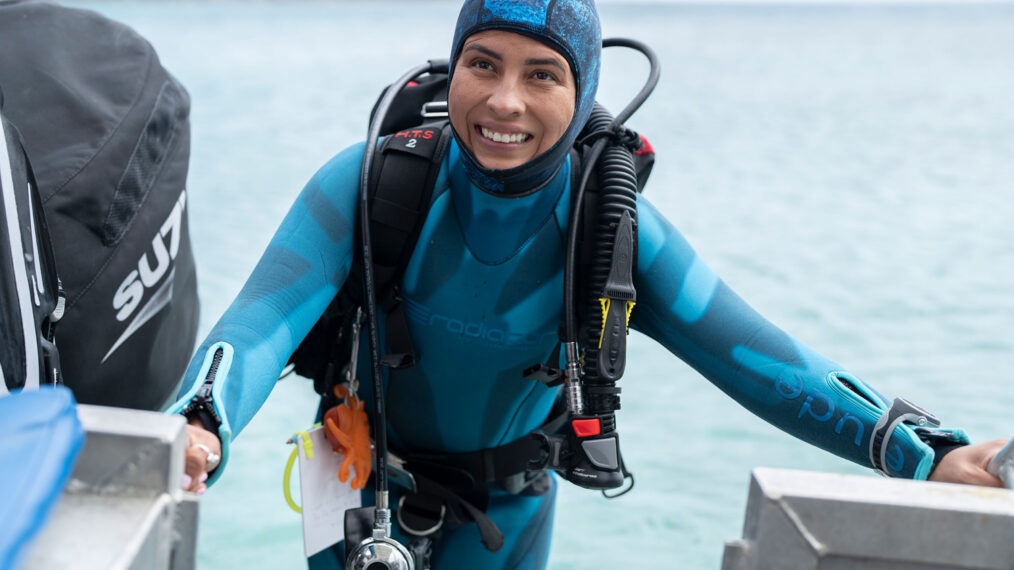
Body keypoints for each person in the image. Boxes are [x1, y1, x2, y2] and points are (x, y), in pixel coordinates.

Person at [169, 0, 1006, 568]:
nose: (504, 101)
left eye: (542, 75)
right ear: (449, 67)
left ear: (584, 91)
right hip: (359, 486)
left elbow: (759, 359)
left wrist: (923, 452)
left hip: (512, 511)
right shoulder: (369, 186)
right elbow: (260, 324)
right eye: (483, 64)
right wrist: (200, 422)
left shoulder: (612, 234)